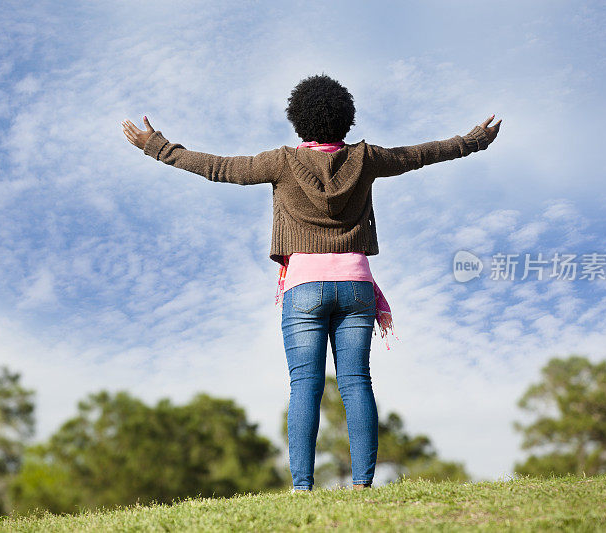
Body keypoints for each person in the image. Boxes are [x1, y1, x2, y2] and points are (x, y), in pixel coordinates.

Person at [122, 74, 501, 493]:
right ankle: (362, 486)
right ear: (346, 119)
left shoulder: (281, 162)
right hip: (357, 286)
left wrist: (156, 147)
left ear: (297, 119)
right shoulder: (367, 159)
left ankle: (302, 487)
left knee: (305, 384)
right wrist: (472, 142)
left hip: (303, 287)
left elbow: (218, 168)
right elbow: (419, 154)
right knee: (357, 380)